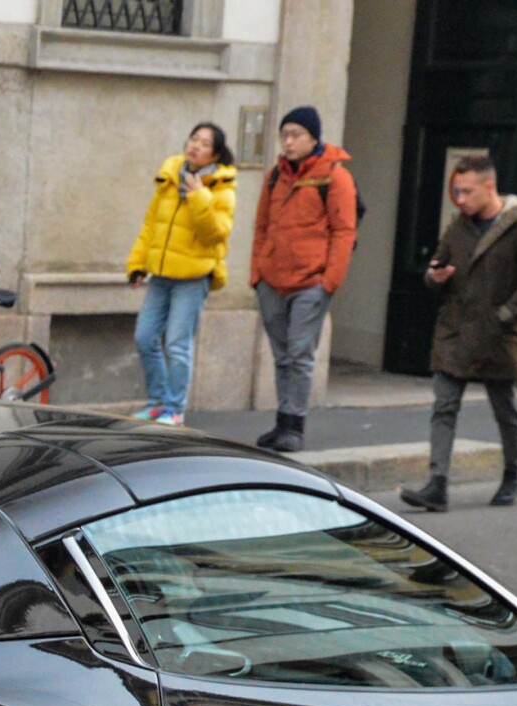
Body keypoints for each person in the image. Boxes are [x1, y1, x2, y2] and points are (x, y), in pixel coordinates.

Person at [399, 154, 517, 512]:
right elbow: (437, 268)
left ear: (489, 187)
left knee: (504, 409)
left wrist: (508, 313)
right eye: (457, 191)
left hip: (496, 334)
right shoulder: (458, 227)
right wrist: (434, 277)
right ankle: (437, 485)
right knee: (444, 406)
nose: (461, 199)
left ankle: (512, 474)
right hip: (456, 330)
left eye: (467, 191)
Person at [248, 105, 357, 453]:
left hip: (311, 282)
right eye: (285, 135)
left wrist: (330, 281)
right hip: (272, 280)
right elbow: (261, 227)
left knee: (300, 353)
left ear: (314, 138)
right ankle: (282, 420)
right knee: (281, 355)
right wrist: (257, 274)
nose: (289, 142)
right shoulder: (275, 177)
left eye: (296, 135)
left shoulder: (335, 177)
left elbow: (343, 231)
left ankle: (294, 424)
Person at [126, 122, 238, 426]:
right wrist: (137, 264)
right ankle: (157, 401)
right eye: (194, 139)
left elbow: (217, 233)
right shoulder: (169, 176)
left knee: (177, 343)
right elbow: (151, 225)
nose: (196, 146)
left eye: (204, 143)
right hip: (161, 275)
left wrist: (200, 195)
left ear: (215, 153)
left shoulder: (221, 188)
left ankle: (174, 409)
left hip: (193, 277)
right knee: (145, 336)